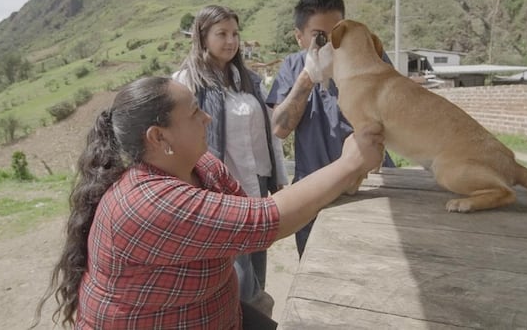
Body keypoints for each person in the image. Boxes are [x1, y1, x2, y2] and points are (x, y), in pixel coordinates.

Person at [32, 76, 384, 329]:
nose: (208, 118)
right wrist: (350, 162)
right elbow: (266, 222)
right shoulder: (145, 201)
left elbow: (248, 219)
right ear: (159, 137)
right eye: (195, 113)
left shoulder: (202, 166)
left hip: (216, 311)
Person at [172, 5, 288, 315]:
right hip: (218, 188)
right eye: (221, 34)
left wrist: (278, 176)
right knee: (235, 271)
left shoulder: (247, 79)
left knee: (258, 257)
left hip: (257, 181)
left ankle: (255, 317)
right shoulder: (186, 82)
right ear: (202, 36)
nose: (231, 41)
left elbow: (270, 128)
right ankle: (243, 316)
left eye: (235, 33)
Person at [266, 0, 395, 258]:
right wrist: (308, 77)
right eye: (319, 36)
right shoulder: (291, 66)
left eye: (339, 32)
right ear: (299, 37)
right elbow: (279, 128)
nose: (332, 43)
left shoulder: (369, 56)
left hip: (370, 185)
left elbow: (393, 111)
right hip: (315, 191)